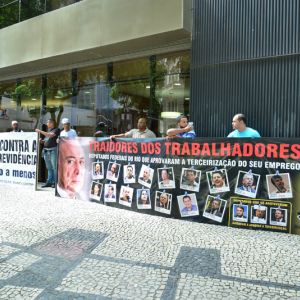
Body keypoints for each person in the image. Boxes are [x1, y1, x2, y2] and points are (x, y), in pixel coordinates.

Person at [35, 119, 60, 188]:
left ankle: (55, 182)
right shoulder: (49, 131)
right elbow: (47, 139)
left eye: (47, 122)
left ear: (52, 123)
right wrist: (42, 141)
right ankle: (49, 182)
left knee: (54, 167)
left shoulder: (57, 130)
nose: (47, 123)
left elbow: (50, 136)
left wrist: (40, 131)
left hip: (53, 150)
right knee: (49, 167)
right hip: (46, 150)